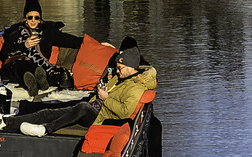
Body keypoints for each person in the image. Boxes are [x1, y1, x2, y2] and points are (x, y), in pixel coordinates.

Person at [10, 35, 157, 137]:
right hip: (94, 103)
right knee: (49, 111)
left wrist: (105, 98)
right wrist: (104, 88)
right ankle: (7, 122)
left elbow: (124, 112)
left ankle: (45, 130)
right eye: (117, 67)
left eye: (120, 68)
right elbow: (109, 88)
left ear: (131, 67)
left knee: (81, 107)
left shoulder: (137, 87)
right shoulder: (123, 75)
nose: (117, 71)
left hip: (101, 116)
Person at [0, 0, 82, 96]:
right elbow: (4, 54)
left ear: (40, 18)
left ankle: (39, 80)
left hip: (40, 66)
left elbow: (71, 40)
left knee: (37, 68)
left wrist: (95, 43)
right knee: (23, 65)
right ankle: (33, 82)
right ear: (25, 18)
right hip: (17, 66)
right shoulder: (15, 32)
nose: (33, 21)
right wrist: (24, 46)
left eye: (36, 18)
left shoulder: (48, 32)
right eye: (30, 18)